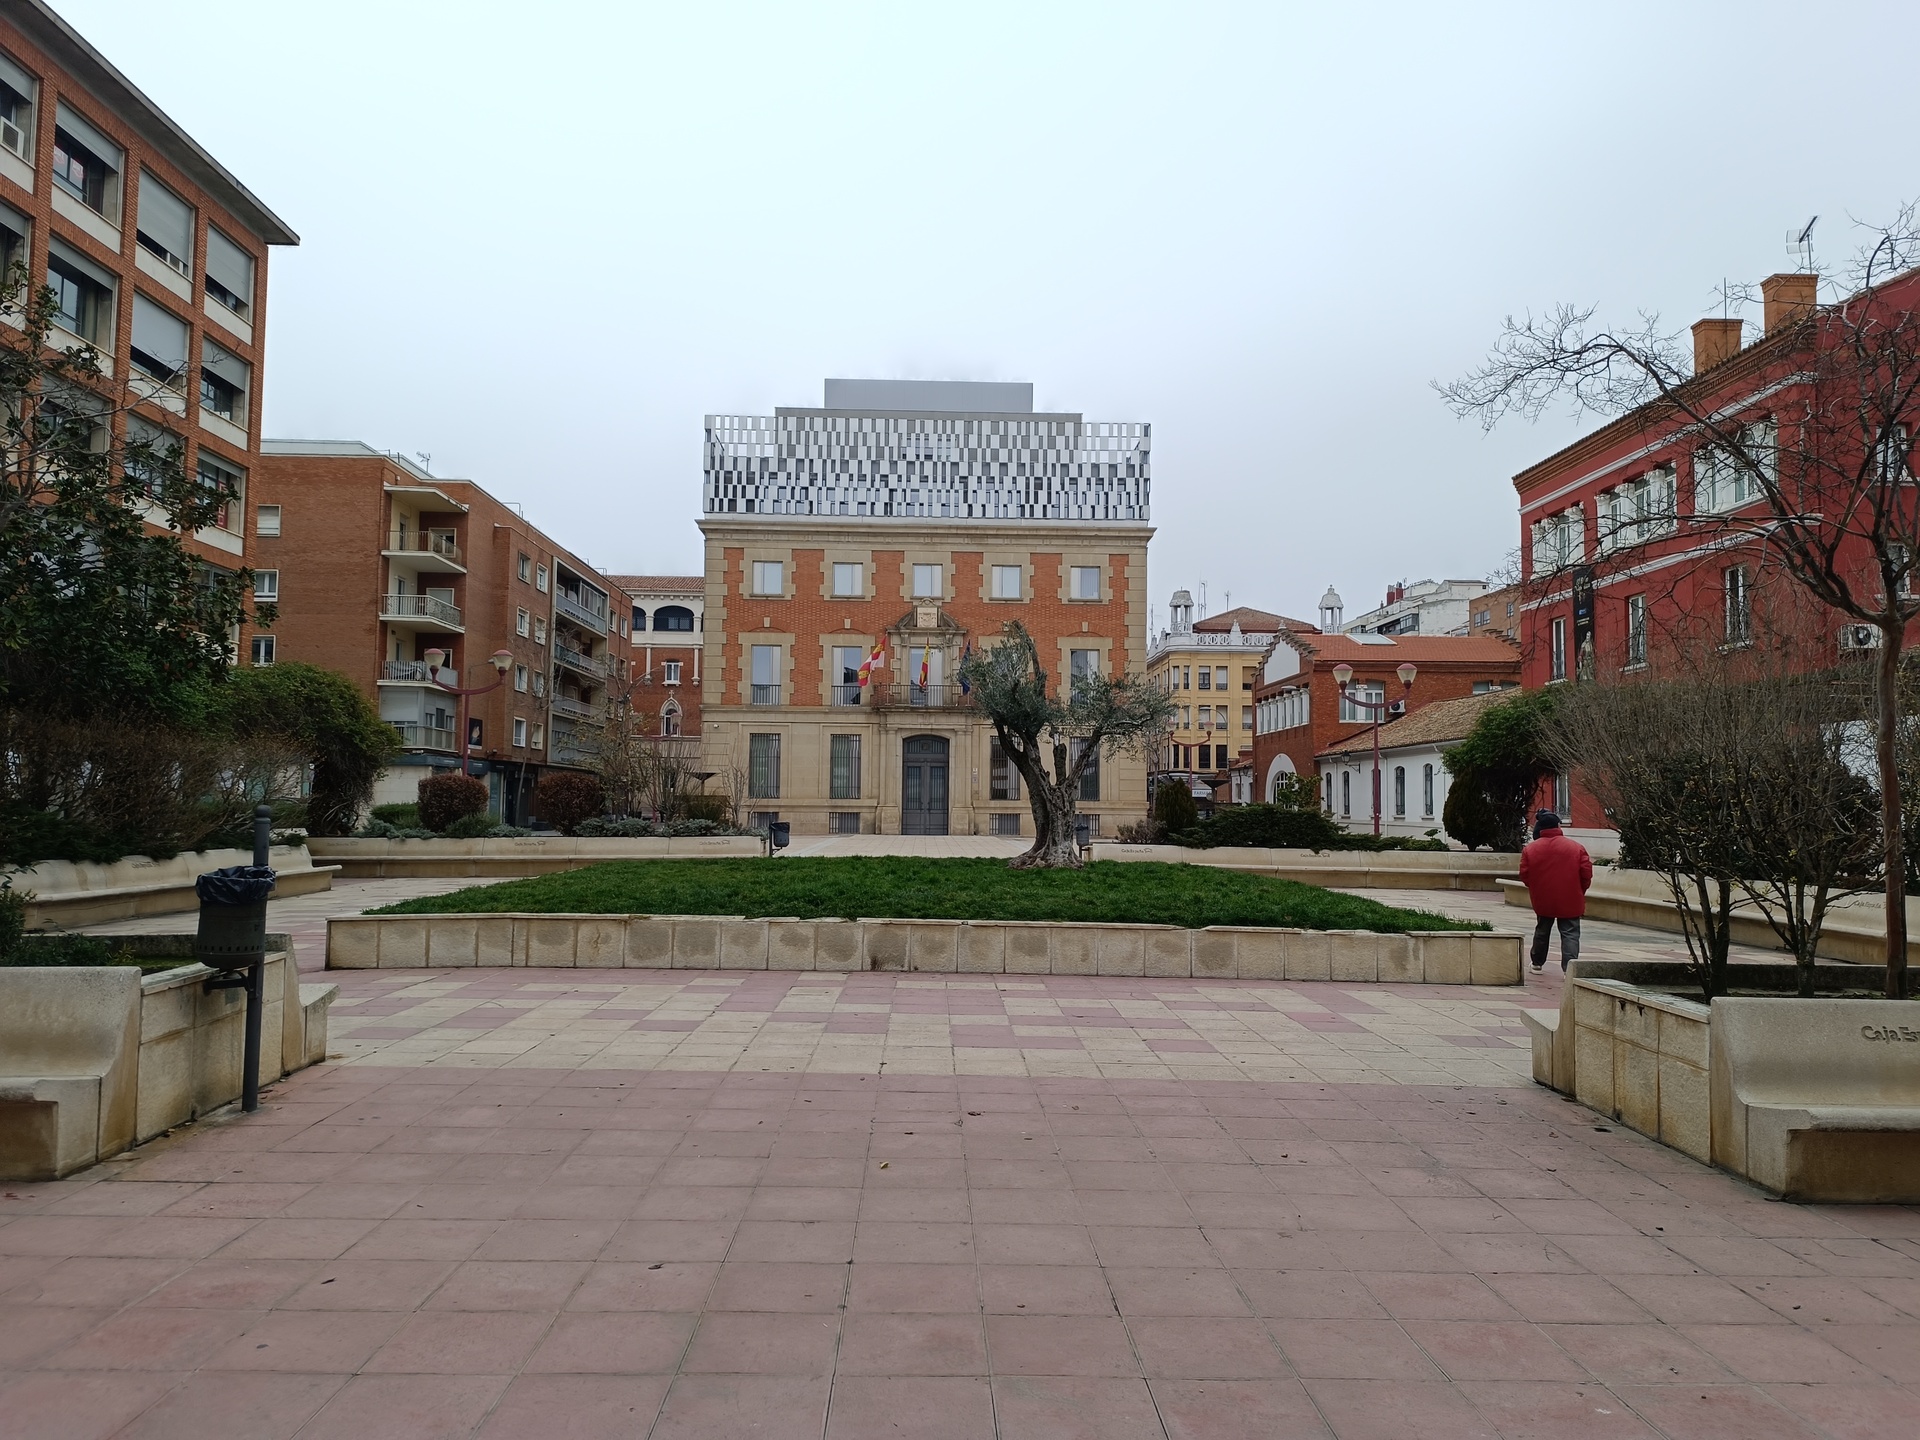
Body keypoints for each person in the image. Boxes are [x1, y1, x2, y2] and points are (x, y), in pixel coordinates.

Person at [1518, 808, 1592, 972]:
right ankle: (1569, 969)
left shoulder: (1530, 849)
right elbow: (1586, 874)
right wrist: (1580, 890)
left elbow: (1525, 875)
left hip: (1543, 897)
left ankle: (1537, 962)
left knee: (1542, 929)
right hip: (1570, 896)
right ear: (1558, 826)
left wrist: (1537, 888)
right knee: (1570, 932)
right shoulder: (1576, 848)